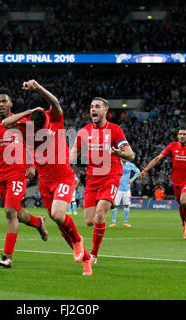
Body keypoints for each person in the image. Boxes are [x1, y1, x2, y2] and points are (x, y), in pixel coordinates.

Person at [2, 79, 94, 276]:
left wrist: (38, 88)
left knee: (59, 216)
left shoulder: (54, 118)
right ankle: (86, 259)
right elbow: (5, 123)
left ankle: (78, 240)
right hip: (45, 182)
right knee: (59, 223)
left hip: (63, 177)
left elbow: (56, 103)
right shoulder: (27, 124)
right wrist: (26, 112)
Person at [0, 87, 48, 268]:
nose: (0, 104)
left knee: (9, 213)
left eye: (3, 101)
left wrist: (32, 165)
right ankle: (39, 222)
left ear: (10, 104)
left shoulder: (22, 123)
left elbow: (34, 145)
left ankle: (7, 256)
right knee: (18, 213)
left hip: (18, 173)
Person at [70, 97, 135, 264]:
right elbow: (72, 155)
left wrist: (118, 153)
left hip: (111, 177)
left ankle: (93, 255)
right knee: (89, 221)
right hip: (92, 179)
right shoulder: (84, 131)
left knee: (100, 214)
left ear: (105, 111)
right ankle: (108, 203)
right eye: (91, 107)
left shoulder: (115, 130)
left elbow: (131, 154)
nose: (93, 109)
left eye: (97, 107)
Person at [110, 160, 140, 227]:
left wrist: (132, 179)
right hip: (118, 188)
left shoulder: (130, 164)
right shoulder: (117, 164)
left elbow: (138, 172)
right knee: (115, 205)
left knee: (126, 205)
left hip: (126, 188)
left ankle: (125, 222)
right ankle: (113, 222)